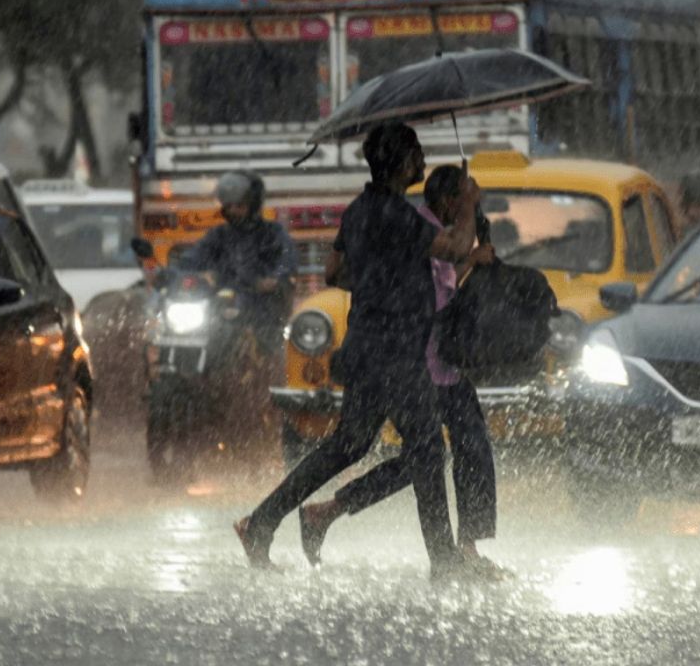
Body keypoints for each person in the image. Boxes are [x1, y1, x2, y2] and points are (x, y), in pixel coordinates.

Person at [234, 122, 481, 578]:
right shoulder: (396, 214)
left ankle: (261, 523)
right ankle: (445, 562)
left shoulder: (358, 212)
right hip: (396, 351)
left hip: (367, 347)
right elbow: (457, 247)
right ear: (403, 162)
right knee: (427, 449)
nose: (424, 164)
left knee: (347, 445)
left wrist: (380, 275)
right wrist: (467, 202)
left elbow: (334, 272)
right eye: (418, 156)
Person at [297, 165, 502, 573]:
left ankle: (329, 512)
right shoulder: (424, 233)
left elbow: (443, 287)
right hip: (420, 365)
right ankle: (457, 552)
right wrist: (473, 258)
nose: (467, 208)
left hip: (441, 363)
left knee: (459, 450)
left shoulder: (436, 230)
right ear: (448, 202)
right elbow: (434, 300)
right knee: (438, 453)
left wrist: (472, 259)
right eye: (463, 200)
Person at [182, 171, 297, 354]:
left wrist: (274, 279)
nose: (233, 211)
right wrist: (178, 273)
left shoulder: (272, 233)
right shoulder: (218, 235)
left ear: (253, 205)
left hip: (261, 306)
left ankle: (267, 369)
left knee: (270, 347)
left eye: (240, 206)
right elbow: (192, 259)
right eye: (229, 206)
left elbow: (287, 261)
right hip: (220, 306)